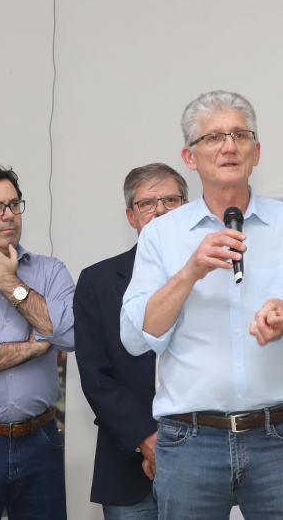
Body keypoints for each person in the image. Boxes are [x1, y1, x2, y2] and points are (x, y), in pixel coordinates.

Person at [120, 90, 283, 520]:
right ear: (190, 157)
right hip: (190, 442)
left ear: (256, 151)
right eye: (214, 138)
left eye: (240, 135)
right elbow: (135, 337)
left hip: (281, 438)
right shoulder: (161, 235)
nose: (228, 146)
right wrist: (189, 272)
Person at [75, 163, 189, 518]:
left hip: (201, 456)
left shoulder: (212, 272)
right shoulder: (97, 281)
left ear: (188, 207)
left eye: (171, 200)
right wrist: (149, 441)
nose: (160, 211)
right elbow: (96, 376)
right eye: (147, 203)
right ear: (131, 216)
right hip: (127, 458)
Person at [0, 164, 76, 519]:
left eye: (14, 204)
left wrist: (10, 284)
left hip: (42, 439)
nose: (8, 215)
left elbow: (69, 335)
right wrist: (38, 344)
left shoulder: (50, 271)